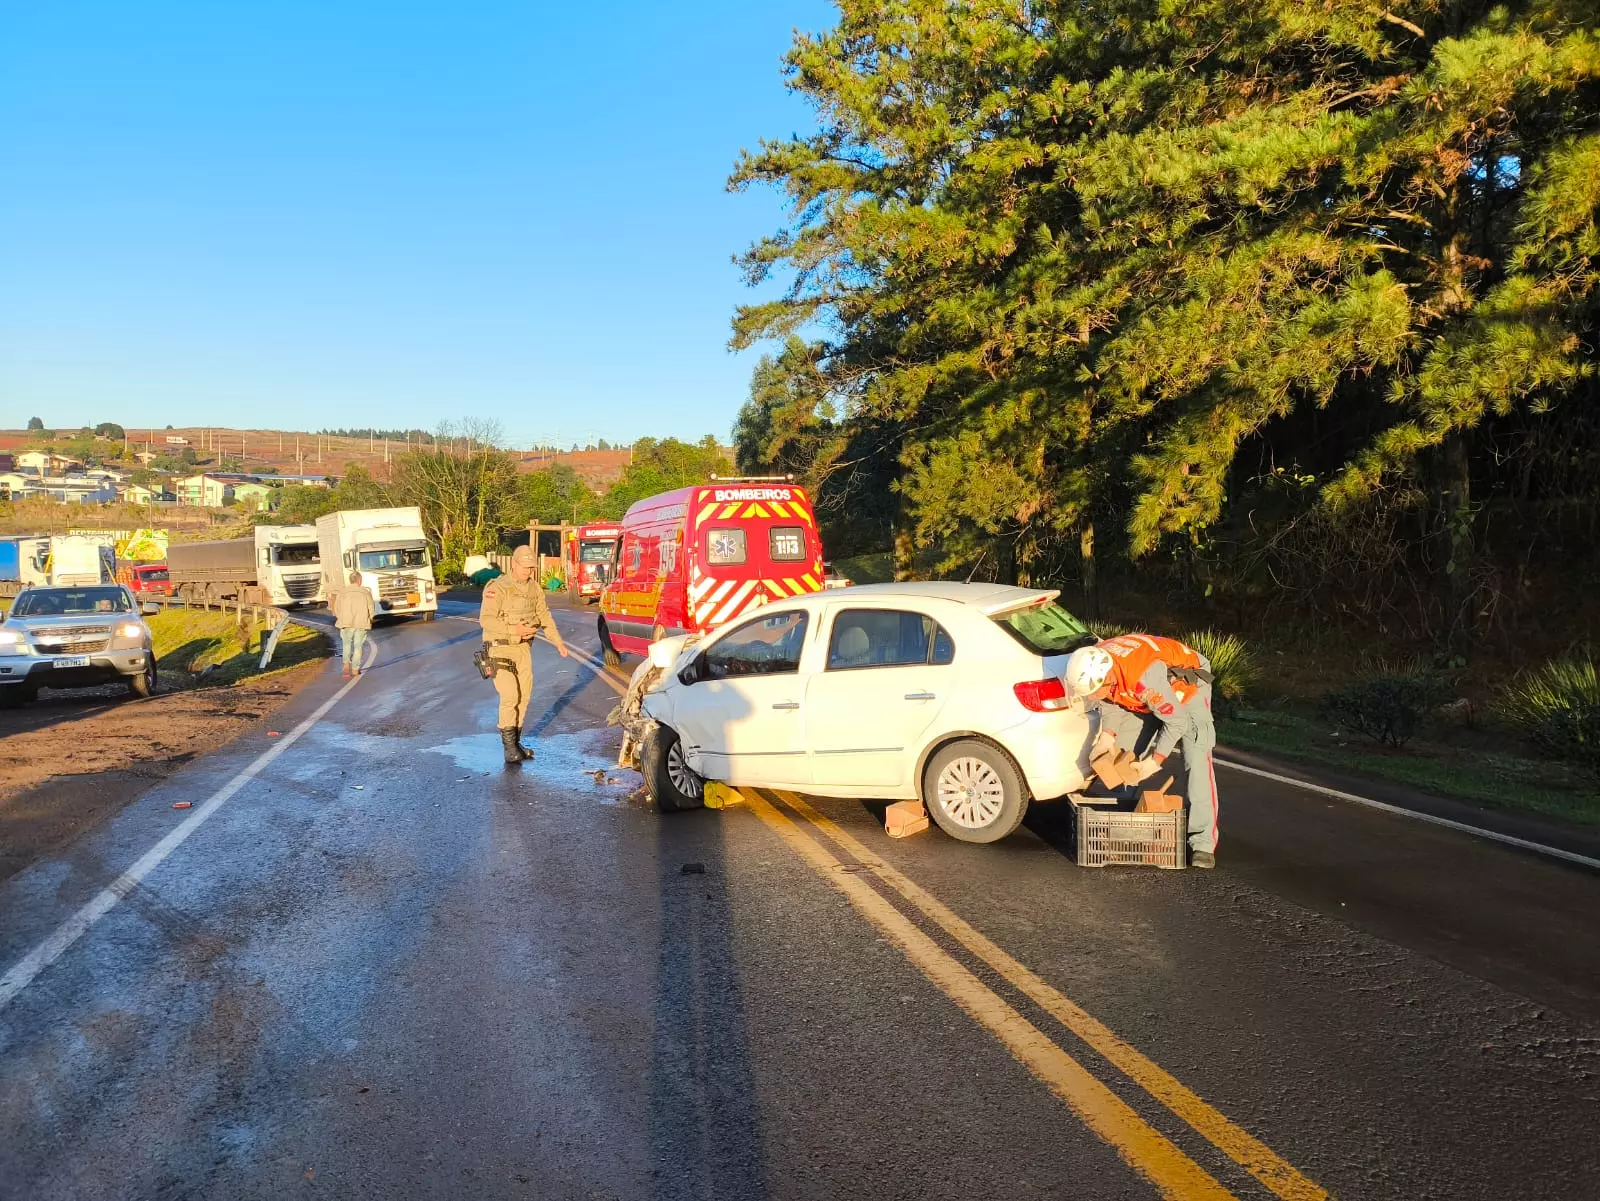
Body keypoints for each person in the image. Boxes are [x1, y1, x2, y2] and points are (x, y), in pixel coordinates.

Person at [1064, 634, 1219, 868]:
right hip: (1146, 690)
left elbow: (1177, 722)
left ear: (1107, 677)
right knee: (1124, 754)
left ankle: (1203, 843)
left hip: (1187, 684)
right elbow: (1110, 699)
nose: (1092, 697)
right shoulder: (1099, 657)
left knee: (1196, 759)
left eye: (1094, 692)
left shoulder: (1143, 675)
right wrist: (1109, 735)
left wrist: (1155, 761)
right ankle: (1119, 824)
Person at [480, 544, 570, 765]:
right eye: (525, 567)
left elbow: (544, 616)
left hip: (523, 649)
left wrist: (558, 642)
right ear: (514, 564)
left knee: (524, 697)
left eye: (531, 568)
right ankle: (509, 748)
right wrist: (514, 630)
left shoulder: (535, 589)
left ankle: (517, 742)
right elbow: (486, 619)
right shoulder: (498, 587)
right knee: (510, 696)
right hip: (500, 647)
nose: (528, 572)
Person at [326, 570, 375, 678]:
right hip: (361, 623)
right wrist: (370, 619)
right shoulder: (365, 592)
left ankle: (346, 664)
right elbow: (371, 609)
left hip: (346, 622)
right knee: (358, 646)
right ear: (360, 581)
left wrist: (341, 617)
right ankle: (355, 669)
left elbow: (337, 608)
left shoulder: (342, 592)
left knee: (346, 644)